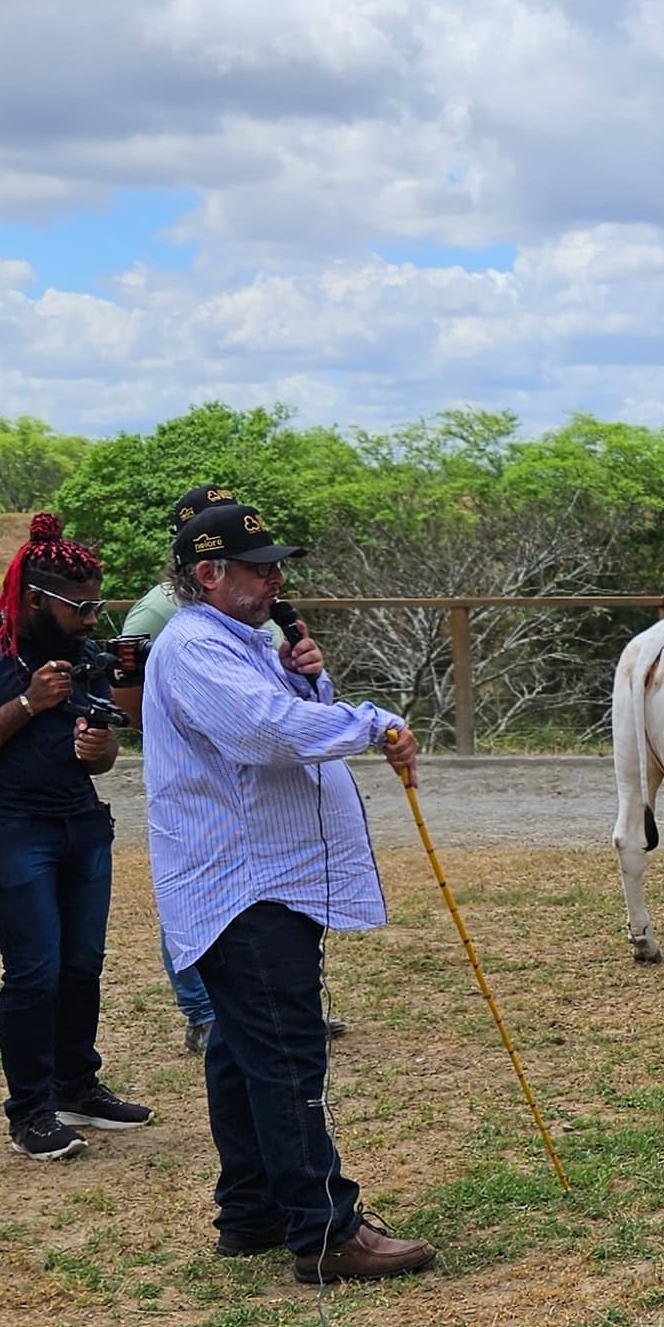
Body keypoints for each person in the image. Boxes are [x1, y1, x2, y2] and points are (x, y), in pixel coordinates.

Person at [142, 499, 436, 1282]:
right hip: (244, 883)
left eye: (276, 565)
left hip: (262, 878)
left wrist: (316, 680)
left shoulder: (246, 643)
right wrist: (371, 721)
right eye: (258, 566)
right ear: (209, 574)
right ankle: (325, 1230)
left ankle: (252, 1211)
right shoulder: (195, 648)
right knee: (285, 1053)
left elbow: (288, 715)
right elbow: (266, 736)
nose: (276, 578)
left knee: (244, 1051)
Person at [0, 515, 147, 1162]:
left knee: (82, 965)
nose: (93, 618)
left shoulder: (85, 657)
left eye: (99, 603)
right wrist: (27, 705)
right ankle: (31, 1112)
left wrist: (99, 748)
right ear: (36, 598)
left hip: (81, 821)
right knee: (35, 970)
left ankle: (77, 1086)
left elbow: (100, 760)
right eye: (81, 606)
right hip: (6, 828)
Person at [119, 484, 245, 1051]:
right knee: (191, 882)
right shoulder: (160, 609)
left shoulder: (244, 593)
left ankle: (262, 1006)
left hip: (250, 772)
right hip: (196, 775)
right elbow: (123, 682)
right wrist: (170, 733)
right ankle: (201, 1012)